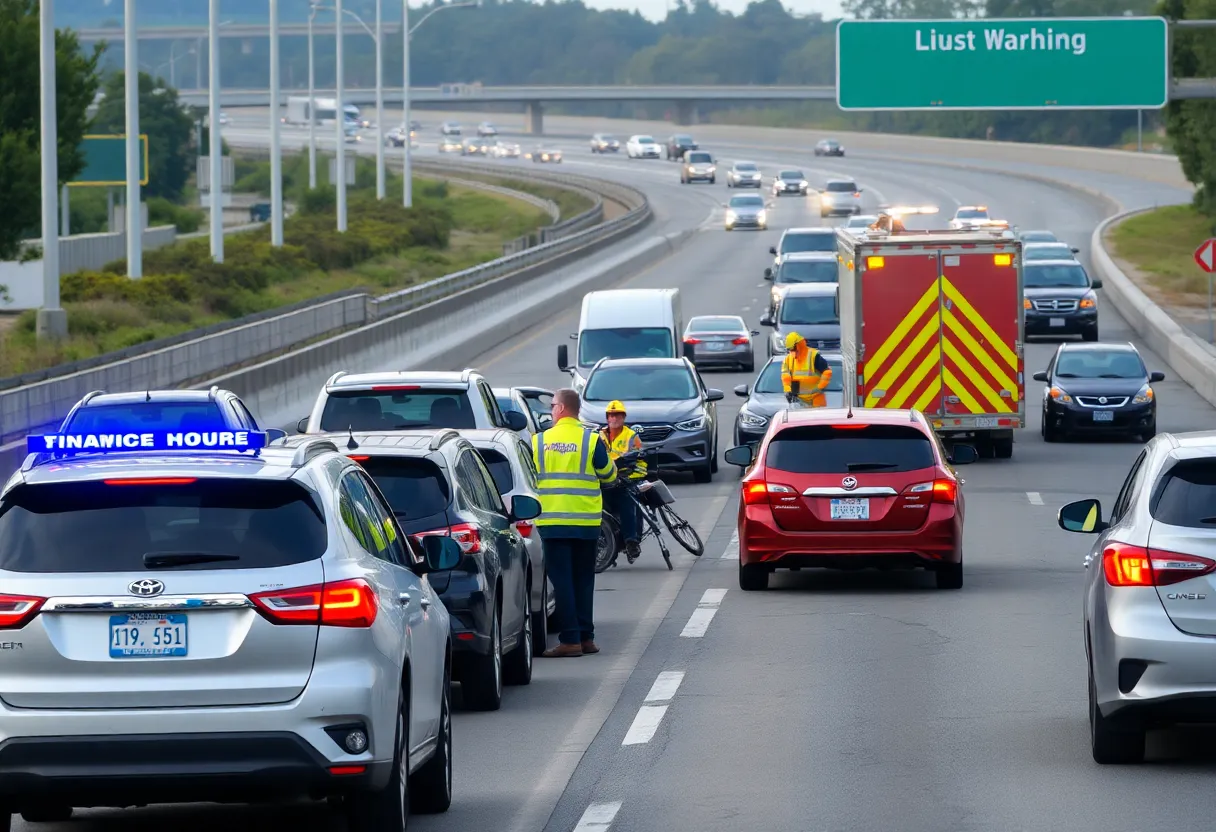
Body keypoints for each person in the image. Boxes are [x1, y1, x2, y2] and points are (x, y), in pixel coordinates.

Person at [531, 388, 617, 658]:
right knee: (583, 580)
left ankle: (570, 640)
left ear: (561, 409)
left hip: (553, 521)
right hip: (586, 522)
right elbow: (609, 474)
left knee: (562, 582)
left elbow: (528, 477)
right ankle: (586, 637)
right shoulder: (591, 440)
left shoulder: (538, 441)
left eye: (552, 404)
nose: (550, 409)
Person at [599, 400, 646, 564]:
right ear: (607, 418)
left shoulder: (631, 437)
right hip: (605, 481)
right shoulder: (599, 436)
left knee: (628, 503)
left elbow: (641, 462)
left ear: (623, 417)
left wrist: (630, 479)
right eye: (611, 415)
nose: (614, 418)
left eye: (617, 415)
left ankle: (631, 541)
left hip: (626, 481)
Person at [781, 331, 832, 407]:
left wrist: (819, 387)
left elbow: (827, 372)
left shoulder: (813, 356)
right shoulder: (788, 359)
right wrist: (788, 390)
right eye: (790, 350)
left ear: (799, 346)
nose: (793, 352)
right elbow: (785, 376)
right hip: (798, 401)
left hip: (816, 400)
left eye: (794, 349)